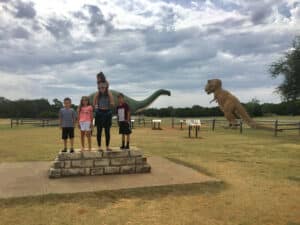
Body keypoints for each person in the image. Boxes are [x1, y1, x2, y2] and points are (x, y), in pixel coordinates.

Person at [93, 76, 114, 151]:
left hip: (107, 112)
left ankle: (107, 146)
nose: (102, 88)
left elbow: (112, 103)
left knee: (107, 131)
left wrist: (111, 103)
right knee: (99, 130)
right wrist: (96, 109)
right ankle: (99, 146)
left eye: (103, 87)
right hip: (100, 112)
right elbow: (94, 101)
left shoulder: (109, 93)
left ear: (106, 86)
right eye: (100, 87)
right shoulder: (98, 93)